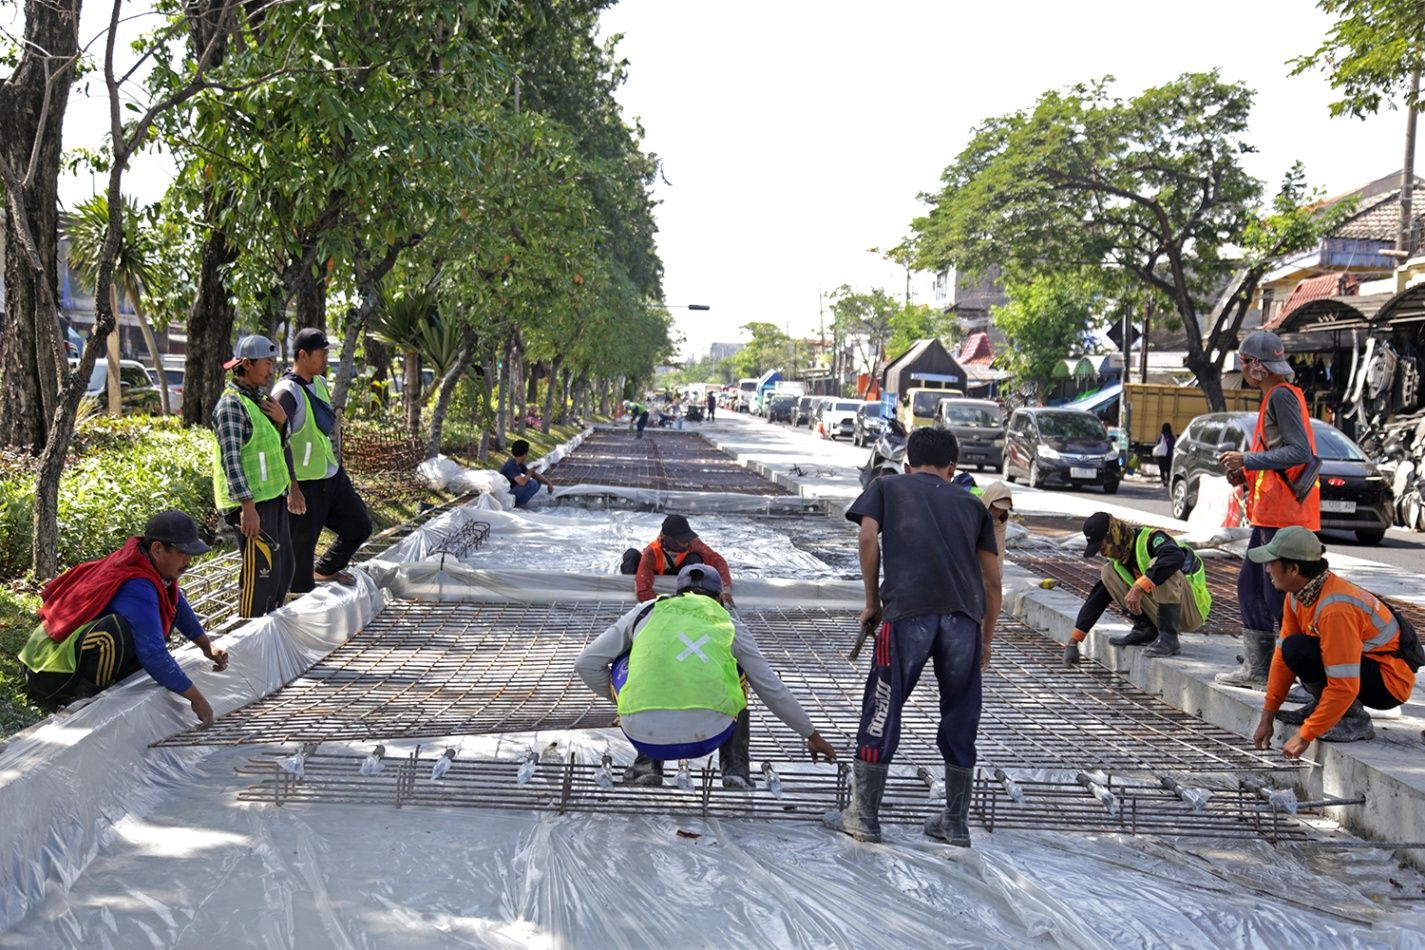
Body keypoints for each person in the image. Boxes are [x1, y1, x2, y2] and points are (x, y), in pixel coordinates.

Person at [824, 427, 1002, 847]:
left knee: (883, 707)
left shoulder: (887, 487)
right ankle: (955, 823)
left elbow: (868, 537)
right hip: (963, 621)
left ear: (907, 463)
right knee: (961, 715)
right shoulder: (971, 504)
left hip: (907, 616)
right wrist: (987, 638)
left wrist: (871, 601)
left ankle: (864, 815)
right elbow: (993, 582)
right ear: (952, 469)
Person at [574, 563, 837, 788]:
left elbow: (586, 663)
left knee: (629, 657)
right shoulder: (728, 623)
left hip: (643, 734)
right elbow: (772, 688)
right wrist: (812, 735)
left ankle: (647, 766)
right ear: (720, 598)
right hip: (709, 735)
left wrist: (627, 698)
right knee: (739, 670)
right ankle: (736, 770)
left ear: (677, 593)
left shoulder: (646, 610)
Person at [17, 510, 228, 725]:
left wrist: (206, 646)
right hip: (46, 672)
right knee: (115, 631)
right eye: (183, 553)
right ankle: (86, 700)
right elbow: (154, 654)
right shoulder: (137, 583)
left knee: (157, 614)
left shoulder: (151, 567)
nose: (188, 561)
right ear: (157, 549)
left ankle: (110, 683)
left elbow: (177, 605)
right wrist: (197, 699)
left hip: (66, 656)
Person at [1249, 527, 1418, 754]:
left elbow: (1344, 685)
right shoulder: (1298, 595)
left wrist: (1306, 734)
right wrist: (1266, 718)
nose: (1267, 569)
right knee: (1294, 649)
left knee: (1300, 648)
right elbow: (1282, 659)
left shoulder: (1336, 608)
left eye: (1272, 563)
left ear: (1293, 569)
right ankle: (1326, 709)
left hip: (1388, 683)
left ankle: (1354, 719)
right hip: (1364, 669)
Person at [1217, 330, 1321, 690]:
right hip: (1273, 514)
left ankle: (1313, 681)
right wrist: (1244, 473)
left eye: (1244, 363)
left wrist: (1247, 458)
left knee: (1279, 599)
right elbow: (1279, 455)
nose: (1242, 369)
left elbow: (1299, 452)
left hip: (1283, 517)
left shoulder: (1280, 397)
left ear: (1258, 366)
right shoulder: (1276, 397)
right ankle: (1261, 668)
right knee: (1252, 588)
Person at [272, 328, 372, 592]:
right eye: (322, 354)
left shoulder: (317, 382)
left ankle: (325, 571)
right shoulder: (286, 393)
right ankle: (299, 603)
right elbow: (278, 442)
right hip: (305, 484)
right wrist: (292, 488)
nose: (326, 359)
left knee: (359, 526)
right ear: (303, 355)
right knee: (301, 552)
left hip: (330, 475)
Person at [212, 334, 295, 617]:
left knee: (283, 569)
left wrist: (283, 422)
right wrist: (247, 507)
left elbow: (275, 444)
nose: (271, 370)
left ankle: (271, 631)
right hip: (251, 506)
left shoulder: (259, 399)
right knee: (260, 576)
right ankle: (250, 633)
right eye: (267, 363)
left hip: (272, 498)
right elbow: (231, 459)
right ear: (247, 364)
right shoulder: (232, 406)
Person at [1063, 512, 1212, 665]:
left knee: (1160, 564)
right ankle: (1145, 630)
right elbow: (1096, 600)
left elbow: (1175, 557)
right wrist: (1073, 642)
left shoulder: (1152, 538)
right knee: (1107, 572)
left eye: (1102, 547)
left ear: (1113, 535)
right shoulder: (1119, 562)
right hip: (1162, 612)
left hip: (1190, 611)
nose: (1103, 553)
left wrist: (1139, 587)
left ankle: (1169, 639)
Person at [620, 514, 733, 604]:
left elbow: (717, 560)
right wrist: (669, 603)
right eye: (682, 540)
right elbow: (643, 592)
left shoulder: (692, 543)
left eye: (686, 539)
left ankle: (689, 589)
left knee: (695, 559)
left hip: (677, 573)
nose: (686, 544)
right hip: (653, 574)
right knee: (632, 556)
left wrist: (725, 588)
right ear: (667, 538)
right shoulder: (651, 553)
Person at [498, 439, 554, 508]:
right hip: (506, 496)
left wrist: (548, 482)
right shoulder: (512, 465)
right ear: (525, 454)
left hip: (511, 492)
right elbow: (522, 482)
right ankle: (516, 504)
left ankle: (518, 502)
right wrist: (529, 474)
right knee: (532, 483)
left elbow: (534, 475)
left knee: (537, 481)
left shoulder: (519, 464)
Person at [979, 481, 1014, 575]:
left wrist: (997, 575)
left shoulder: (1001, 519)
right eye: (994, 508)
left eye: (1001, 510)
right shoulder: (974, 513)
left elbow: (998, 547)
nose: (997, 513)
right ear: (988, 502)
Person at [1153, 422, 1175, 487]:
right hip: (1169, 455)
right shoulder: (1172, 437)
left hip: (1162, 455)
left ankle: (1163, 481)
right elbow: (1173, 445)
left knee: (1162, 468)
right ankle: (1168, 480)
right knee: (1168, 469)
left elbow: (1158, 445)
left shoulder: (1161, 437)